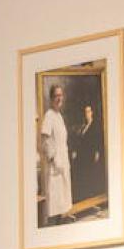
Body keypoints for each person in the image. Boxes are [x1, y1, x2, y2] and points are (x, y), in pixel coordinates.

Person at [39, 84, 73, 224]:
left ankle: (62, 220)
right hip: (55, 163)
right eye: (56, 96)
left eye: (61, 95)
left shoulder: (59, 116)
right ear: (51, 98)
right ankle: (54, 224)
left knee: (63, 195)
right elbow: (45, 140)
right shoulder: (49, 115)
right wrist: (53, 158)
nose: (59, 98)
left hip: (63, 160)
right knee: (55, 196)